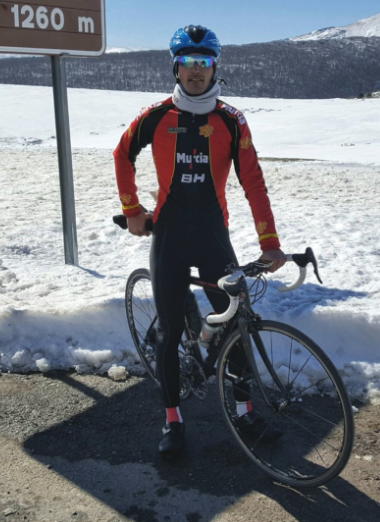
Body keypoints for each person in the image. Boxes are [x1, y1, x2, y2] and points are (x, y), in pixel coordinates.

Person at [114, 25, 287, 457]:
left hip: (213, 237)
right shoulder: (155, 117)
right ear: (176, 67)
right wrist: (133, 210)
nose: (196, 72)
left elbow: (253, 181)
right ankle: (173, 420)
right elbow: (122, 155)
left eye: (205, 63)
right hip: (169, 236)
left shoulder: (231, 120)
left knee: (237, 323)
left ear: (215, 68)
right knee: (171, 333)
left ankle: (245, 411)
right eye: (189, 63)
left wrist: (270, 240)